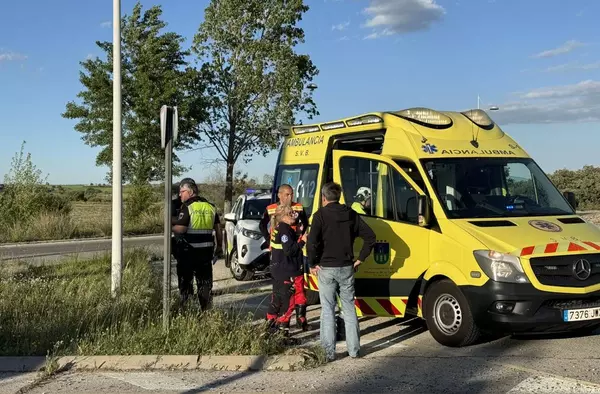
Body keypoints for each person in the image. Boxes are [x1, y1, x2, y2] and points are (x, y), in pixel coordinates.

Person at [307, 182, 376, 361]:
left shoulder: (320, 215)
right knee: (349, 308)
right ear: (339, 197)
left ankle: (329, 353)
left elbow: (312, 243)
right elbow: (370, 237)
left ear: (324, 197)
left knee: (328, 310)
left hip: (326, 268)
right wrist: (360, 259)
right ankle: (354, 350)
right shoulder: (351, 214)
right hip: (347, 267)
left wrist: (312, 264)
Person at [259, 184, 310, 331]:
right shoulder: (271, 209)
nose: (290, 197)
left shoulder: (298, 208)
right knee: (282, 291)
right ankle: (281, 323)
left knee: (299, 287)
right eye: (287, 194)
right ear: (280, 195)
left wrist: (300, 235)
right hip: (281, 252)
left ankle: (300, 318)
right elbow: (262, 225)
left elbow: (305, 224)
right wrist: (269, 241)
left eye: (291, 194)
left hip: (294, 251)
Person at [171, 177, 223, 310]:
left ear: (191, 192)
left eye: (182, 191)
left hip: (188, 253)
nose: (180, 194)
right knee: (205, 285)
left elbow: (181, 229)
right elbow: (218, 230)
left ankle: (187, 311)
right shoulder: (210, 207)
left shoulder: (188, 207)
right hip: (205, 255)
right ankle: (206, 312)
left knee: (186, 284)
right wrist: (219, 248)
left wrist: (169, 227)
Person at [265, 204, 308, 336]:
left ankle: (270, 326)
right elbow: (289, 250)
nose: (294, 216)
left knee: (277, 300)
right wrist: (302, 241)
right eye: (291, 214)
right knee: (287, 302)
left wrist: (297, 234)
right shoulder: (285, 230)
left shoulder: (278, 228)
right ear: (283, 216)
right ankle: (282, 332)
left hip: (277, 270)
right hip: (286, 271)